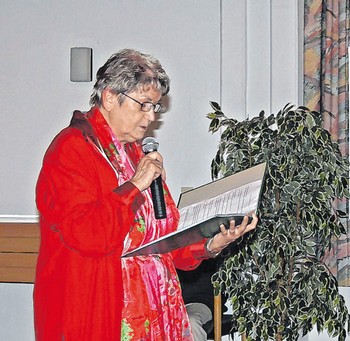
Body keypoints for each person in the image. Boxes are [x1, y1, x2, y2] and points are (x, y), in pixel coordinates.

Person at [33, 48, 258, 341]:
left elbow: (160, 238)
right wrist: (135, 185)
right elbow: (88, 234)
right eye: (144, 105)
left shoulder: (137, 152)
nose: (151, 116)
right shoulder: (71, 149)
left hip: (156, 304)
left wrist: (212, 243)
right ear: (111, 97)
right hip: (97, 305)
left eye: (156, 107)